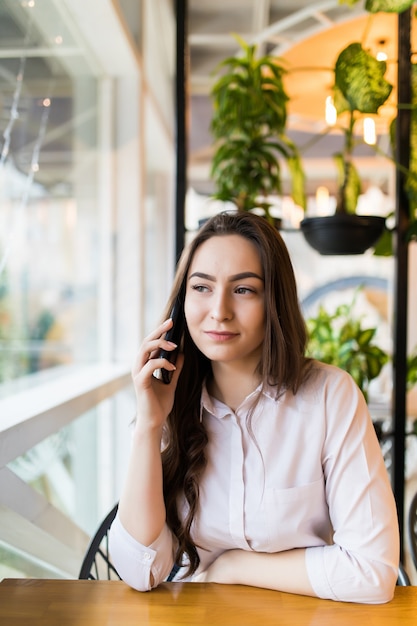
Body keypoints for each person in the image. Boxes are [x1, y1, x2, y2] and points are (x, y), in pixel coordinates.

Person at [109, 211, 399, 603]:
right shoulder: (166, 401)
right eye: (202, 287)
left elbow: (372, 571)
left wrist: (235, 567)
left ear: (273, 301)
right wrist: (148, 425)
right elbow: (141, 571)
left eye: (243, 289)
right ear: (182, 301)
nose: (219, 311)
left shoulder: (331, 396)